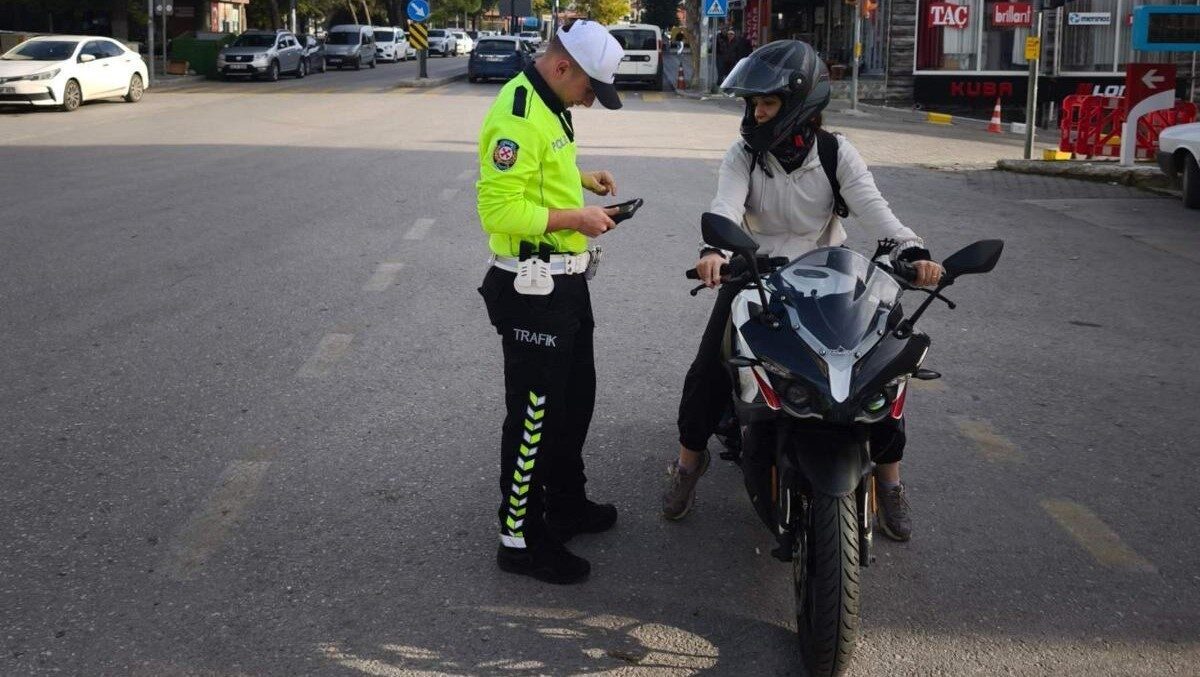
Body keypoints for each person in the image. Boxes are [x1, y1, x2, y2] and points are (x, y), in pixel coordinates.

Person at [661, 40, 945, 542]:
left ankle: (890, 482)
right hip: (754, 278)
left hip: (828, 282)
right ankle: (688, 465)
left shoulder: (837, 153)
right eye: (752, 103)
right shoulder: (744, 155)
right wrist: (715, 253)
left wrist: (913, 252)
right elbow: (725, 209)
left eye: (766, 103)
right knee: (709, 370)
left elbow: (877, 211)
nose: (756, 112)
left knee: (880, 377)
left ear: (799, 105)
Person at [476, 19, 626, 585]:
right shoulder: (515, 115)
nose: (590, 101)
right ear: (563, 66)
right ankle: (519, 537)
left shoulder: (549, 103)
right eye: (590, 89)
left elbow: (541, 172)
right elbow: (498, 212)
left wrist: (581, 180)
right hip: (530, 287)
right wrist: (576, 219)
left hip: (566, 279)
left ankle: (565, 501)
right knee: (535, 414)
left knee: (574, 399)